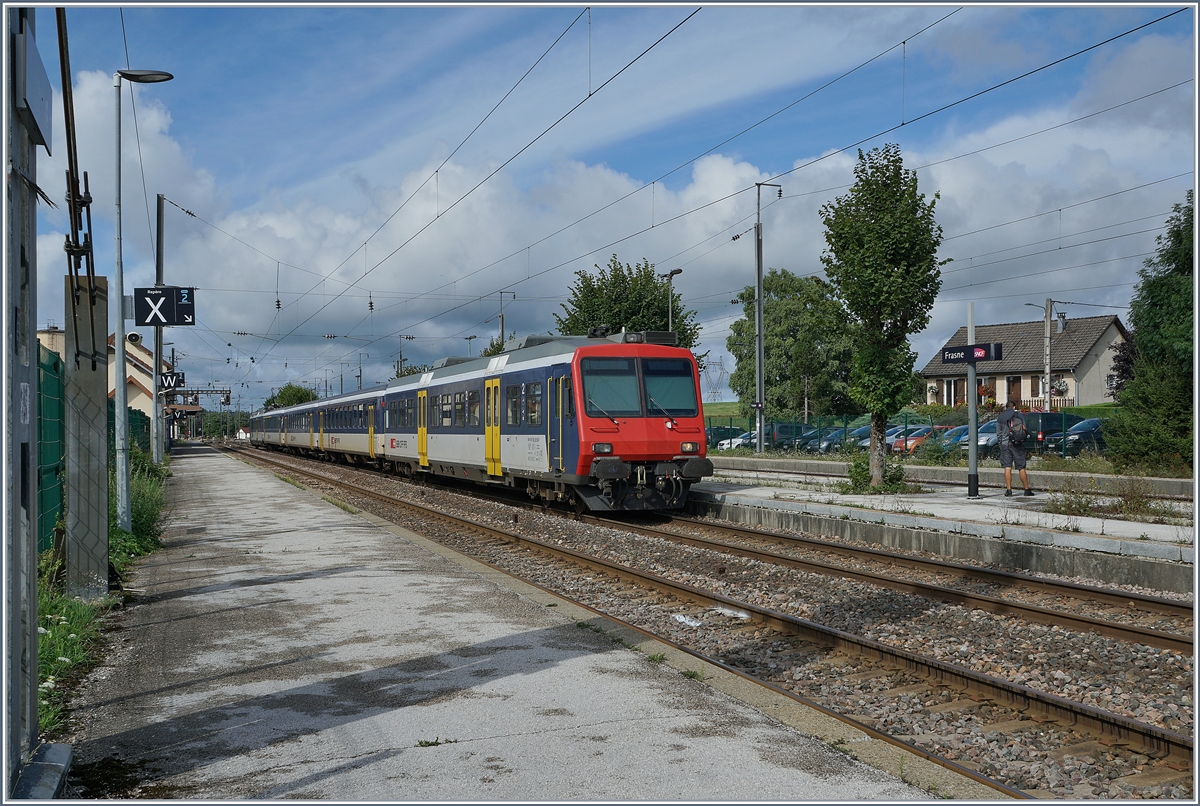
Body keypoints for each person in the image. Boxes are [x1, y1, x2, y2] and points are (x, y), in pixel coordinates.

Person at [996, 400, 1034, 496]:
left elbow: (999, 434)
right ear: (1014, 407)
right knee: (1021, 467)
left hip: (1005, 445)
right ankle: (1026, 489)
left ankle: (1009, 490)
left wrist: (1001, 445)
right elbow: (1024, 428)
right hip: (1017, 444)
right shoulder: (1018, 415)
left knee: (1007, 467)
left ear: (1006, 407)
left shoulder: (1000, 417)